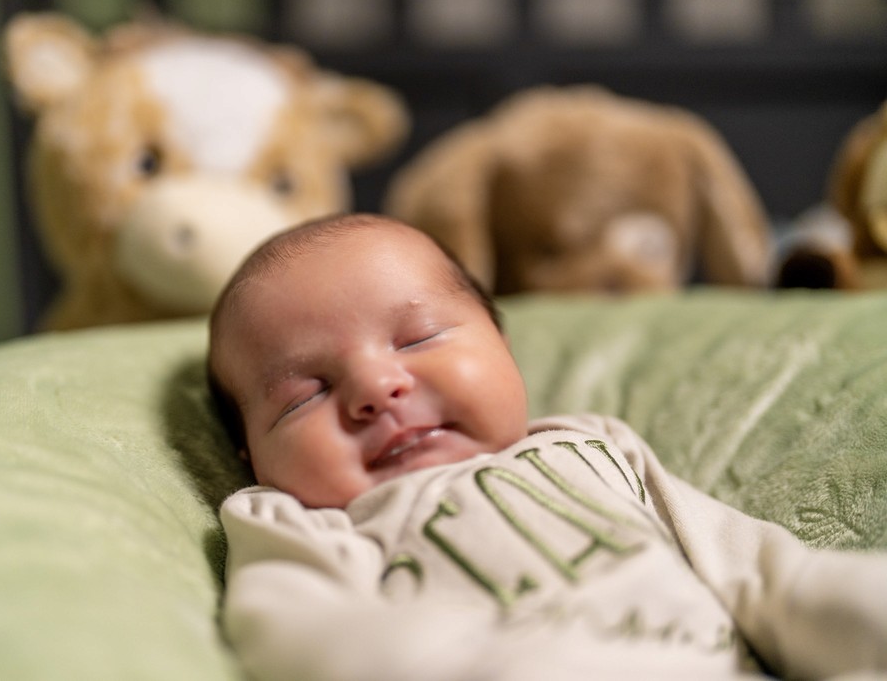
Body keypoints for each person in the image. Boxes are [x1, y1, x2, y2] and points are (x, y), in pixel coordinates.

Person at [206, 213, 886, 681]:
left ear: (504, 347)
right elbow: (300, 632)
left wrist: (847, 600)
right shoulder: (300, 523)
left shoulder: (591, 447)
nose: (376, 388)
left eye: (415, 340)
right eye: (304, 394)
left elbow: (757, 572)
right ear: (250, 452)